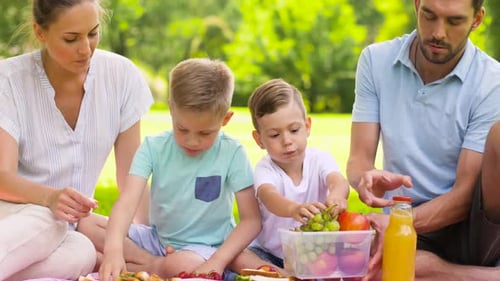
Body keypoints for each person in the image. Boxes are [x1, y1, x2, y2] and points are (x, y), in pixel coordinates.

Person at [346, 0, 500, 280]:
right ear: (417, 5)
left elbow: (464, 197)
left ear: (477, 19)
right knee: (362, 269)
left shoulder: (492, 80)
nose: (438, 32)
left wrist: (398, 221)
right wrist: (365, 179)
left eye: (454, 21)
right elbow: (358, 160)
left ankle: (446, 271)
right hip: (405, 221)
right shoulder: (376, 60)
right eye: (429, 16)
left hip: (472, 227)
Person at [0, 0, 153, 279]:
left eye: (93, 33)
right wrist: (50, 198)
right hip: (13, 219)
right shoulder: (8, 80)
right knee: (49, 218)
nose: (86, 49)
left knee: (82, 253)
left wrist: (156, 237)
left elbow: (132, 179)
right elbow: (2, 178)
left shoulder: (121, 76)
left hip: (67, 233)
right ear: (40, 32)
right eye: (71, 39)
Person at [98, 58, 281, 281]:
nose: (192, 141)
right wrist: (113, 250)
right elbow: (127, 203)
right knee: (87, 223)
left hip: (209, 247)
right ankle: (150, 262)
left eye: (205, 133)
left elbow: (251, 220)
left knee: (186, 263)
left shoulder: (231, 152)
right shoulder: (153, 147)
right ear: (170, 108)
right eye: (182, 129)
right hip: (158, 240)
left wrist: (217, 261)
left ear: (225, 119)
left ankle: (149, 264)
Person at [246, 78, 350, 268]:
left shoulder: (319, 159)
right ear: (259, 139)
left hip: (312, 253)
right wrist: (293, 209)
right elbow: (269, 196)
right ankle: (279, 273)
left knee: (343, 257)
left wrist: (336, 196)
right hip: (269, 253)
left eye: (294, 130)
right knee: (241, 257)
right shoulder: (265, 169)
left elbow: (338, 181)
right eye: (275, 135)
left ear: (307, 126)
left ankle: (286, 276)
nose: (287, 140)